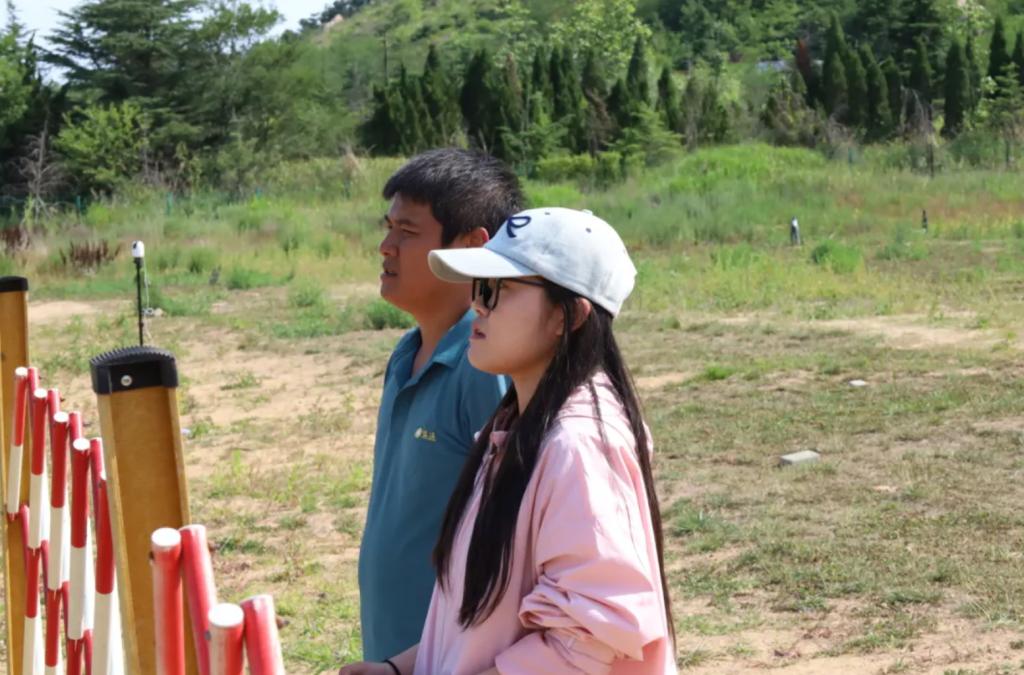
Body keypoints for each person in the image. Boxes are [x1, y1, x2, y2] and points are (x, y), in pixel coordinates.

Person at [342, 207, 676, 674]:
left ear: (567, 316)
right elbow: (476, 625)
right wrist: (401, 669)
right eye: (479, 286)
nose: (478, 305)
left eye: (499, 289)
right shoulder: (515, 426)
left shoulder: (577, 445)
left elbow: (588, 641)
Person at [358, 148, 523, 662]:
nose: (386, 246)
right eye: (388, 228)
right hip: (393, 653)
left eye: (408, 232)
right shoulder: (405, 354)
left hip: (447, 658)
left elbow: (511, 542)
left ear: (473, 248)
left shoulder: (486, 368)